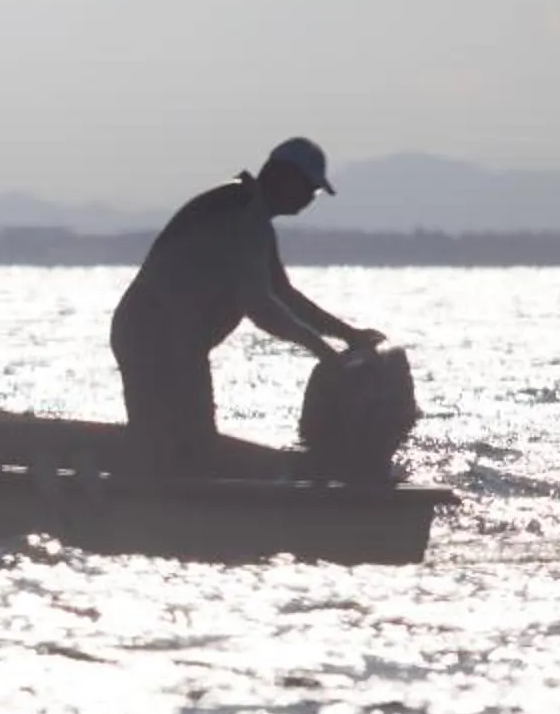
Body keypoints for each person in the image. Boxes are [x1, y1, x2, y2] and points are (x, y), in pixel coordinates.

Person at [110, 136, 379, 471]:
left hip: (179, 344)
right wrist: (322, 351)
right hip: (150, 333)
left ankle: (175, 486)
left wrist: (348, 335)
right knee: (164, 442)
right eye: (309, 188)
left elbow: (283, 295)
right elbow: (261, 308)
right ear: (285, 178)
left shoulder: (253, 218)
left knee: (195, 443)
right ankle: (141, 493)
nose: (310, 198)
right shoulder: (243, 217)